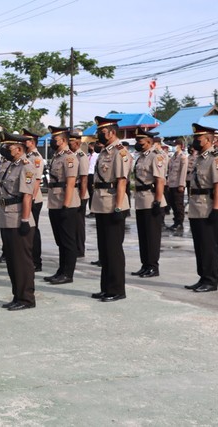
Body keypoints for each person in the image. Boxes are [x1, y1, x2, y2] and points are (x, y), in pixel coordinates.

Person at [89, 116, 130, 302]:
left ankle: (117, 289)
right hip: (101, 203)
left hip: (113, 203)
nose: (99, 135)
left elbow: (122, 181)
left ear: (112, 133)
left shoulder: (120, 153)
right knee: (104, 249)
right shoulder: (105, 152)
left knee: (113, 249)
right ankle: (106, 287)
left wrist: (119, 207)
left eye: (102, 132)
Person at [0, 132, 36, 310]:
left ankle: (26, 298)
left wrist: (25, 220)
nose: (5, 150)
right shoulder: (11, 166)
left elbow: (27, 196)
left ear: (19, 149)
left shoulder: (26, 167)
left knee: (22, 262)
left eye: (9, 147)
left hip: (19, 217)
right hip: (7, 216)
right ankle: (17, 296)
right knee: (12, 261)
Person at [184, 124, 218, 293]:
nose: (195, 141)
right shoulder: (200, 158)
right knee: (199, 246)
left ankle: (211, 280)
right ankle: (202, 277)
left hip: (208, 208)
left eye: (198, 138)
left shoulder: (216, 158)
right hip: (196, 207)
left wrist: (216, 210)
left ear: (208, 139)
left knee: (208, 247)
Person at [42, 126, 80, 285]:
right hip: (55, 202)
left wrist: (66, 205)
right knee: (60, 240)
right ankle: (61, 270)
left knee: (68, 240)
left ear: (63, 140)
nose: (52, 142)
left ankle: (68, 273)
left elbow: (70, 183)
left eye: (54, 139)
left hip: (66, 204)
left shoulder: (69, 157)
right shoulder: (57, 156)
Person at [130, 127, 167, 278]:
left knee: (152, 236)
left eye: (141, 141)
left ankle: (153, 266)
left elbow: (159, 180)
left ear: (149, 141)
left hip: (151, 199)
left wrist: (157, 201)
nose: (138, 143)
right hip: (140, 199)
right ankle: (145, 264)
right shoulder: (141, 156)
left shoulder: (156, 156)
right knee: (143, 235)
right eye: (137, 140)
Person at [22, 128, 46, 271]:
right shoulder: (26, 156)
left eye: (26, 140)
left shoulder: (35, 158)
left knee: (33, 231)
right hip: (27, 198)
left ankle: (37, 261)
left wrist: (30, 200)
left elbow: (36, 181)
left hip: (33, 199)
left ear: (31, 142)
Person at [68, 130, 89, 257]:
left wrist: (82, 197)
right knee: (72, 223)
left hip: (79, 192)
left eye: (72, 141)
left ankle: (80, 249)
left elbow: (84, 178)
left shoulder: (82, 156)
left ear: (78, 142)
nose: (70, 144)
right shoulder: (69, 155)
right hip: (72, 192)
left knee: (79, 224)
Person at [166, 140, 188, 231]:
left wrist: (181, 185)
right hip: (171, 184)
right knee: (173, 203)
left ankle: (179, 222)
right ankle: (175, 221)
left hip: (178, 184)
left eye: (176, 145)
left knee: (178, 204)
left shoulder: (183, 157)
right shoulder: (172, 158)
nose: (174, 147)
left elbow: (183, 172)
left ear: (180, 146)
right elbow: (169, 171)